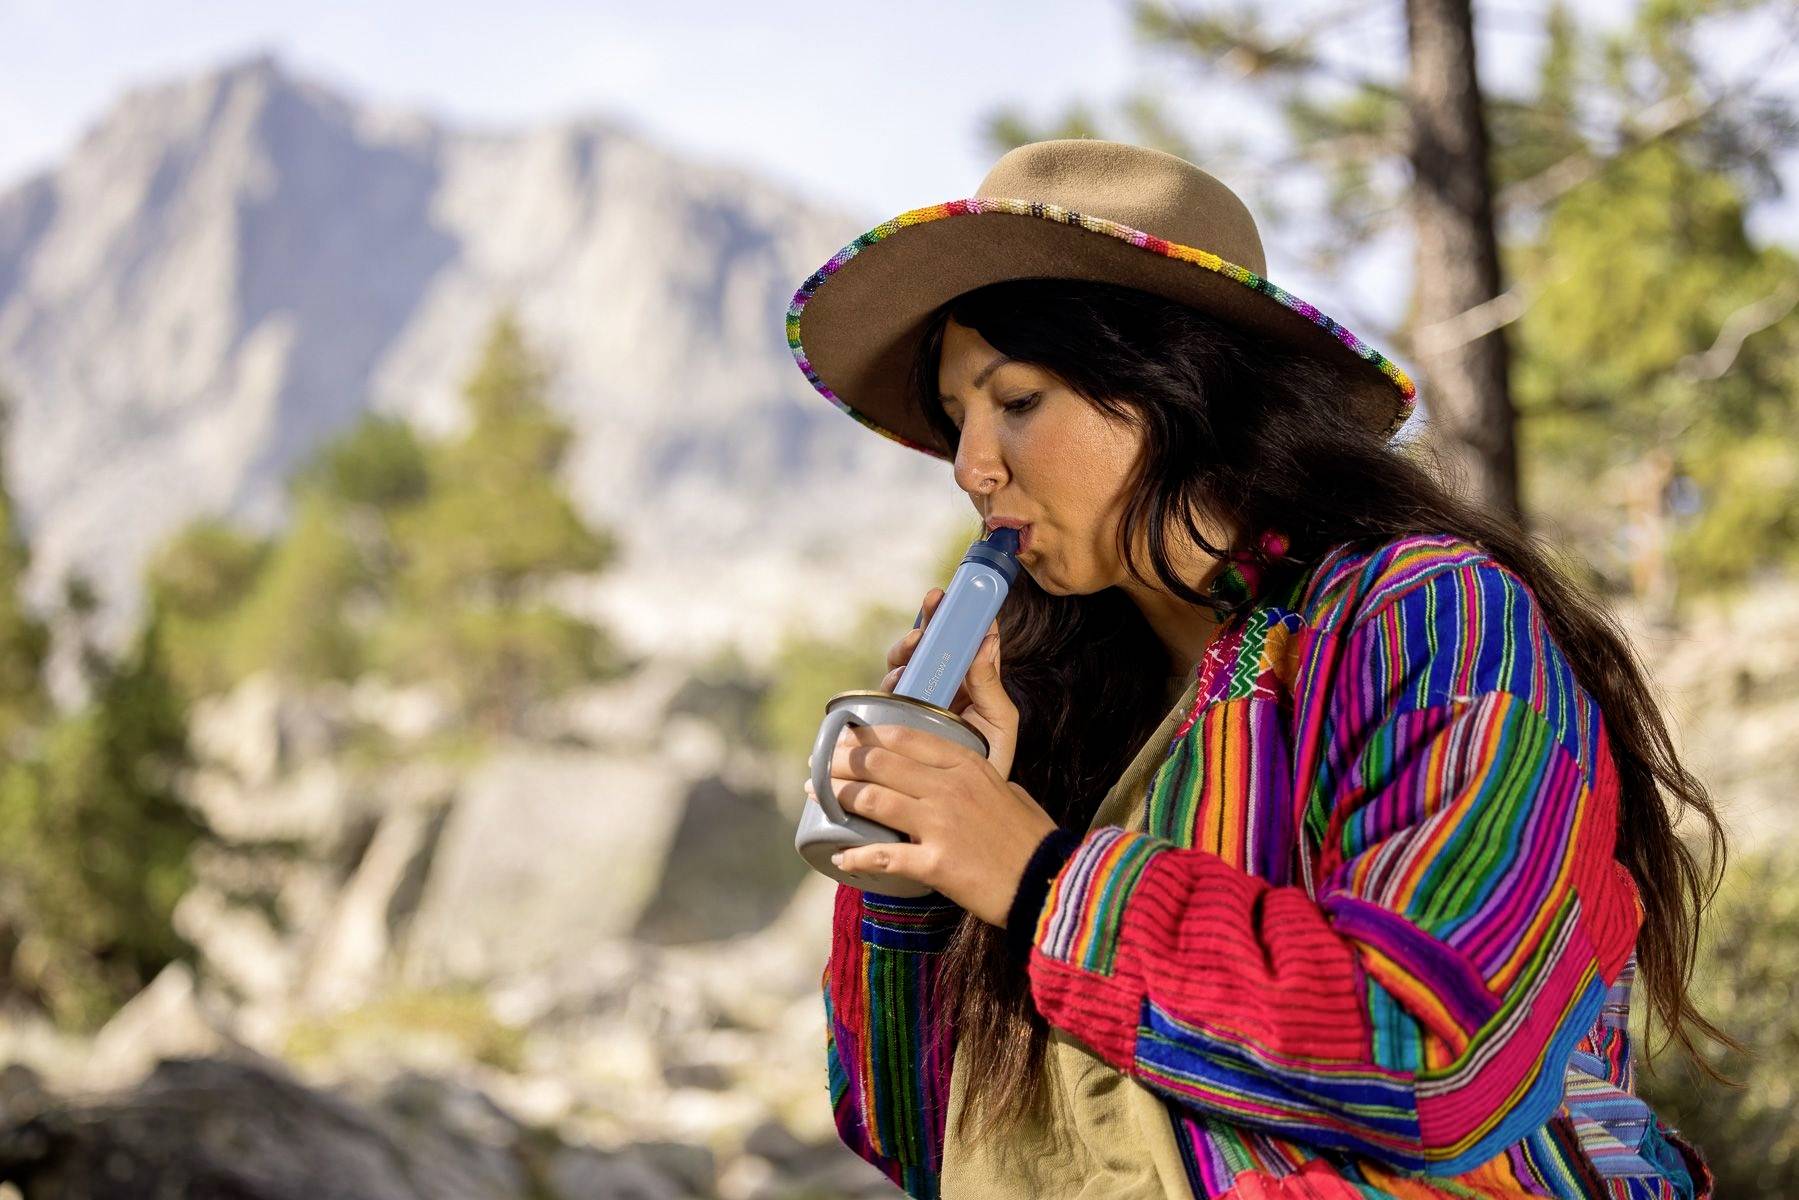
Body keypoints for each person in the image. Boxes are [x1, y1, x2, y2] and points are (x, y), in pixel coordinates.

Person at [784, 139, 1729, 1199]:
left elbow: (1436, 1050)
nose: (969, 467)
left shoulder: (1426, 617)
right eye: (957, 418)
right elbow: (914, 1139)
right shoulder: (1055, 704)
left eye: (1015, 401)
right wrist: (920, 862)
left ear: (1175, 382)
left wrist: (1040, 877)